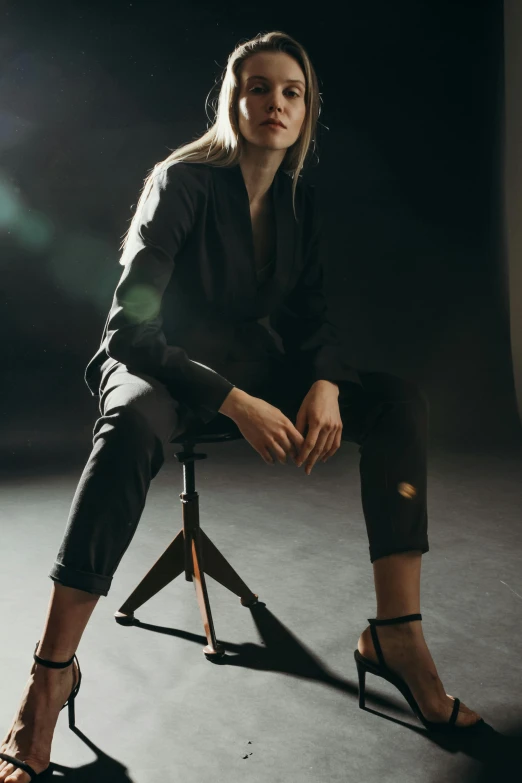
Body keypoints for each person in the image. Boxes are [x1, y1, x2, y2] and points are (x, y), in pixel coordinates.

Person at [0, 29, 484, 783]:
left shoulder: (299, 201)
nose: (275, 103)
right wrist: (234, 402)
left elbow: (313, 317)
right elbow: (130, 327)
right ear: (232, 101)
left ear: (307, 110)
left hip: (248, 368)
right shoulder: (181, 181)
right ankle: (48, 673)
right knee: (129, 426)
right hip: (155, 365)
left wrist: (323, 377)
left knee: (396, 403)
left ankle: (396, 635)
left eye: (291, 92)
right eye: (259, 88)